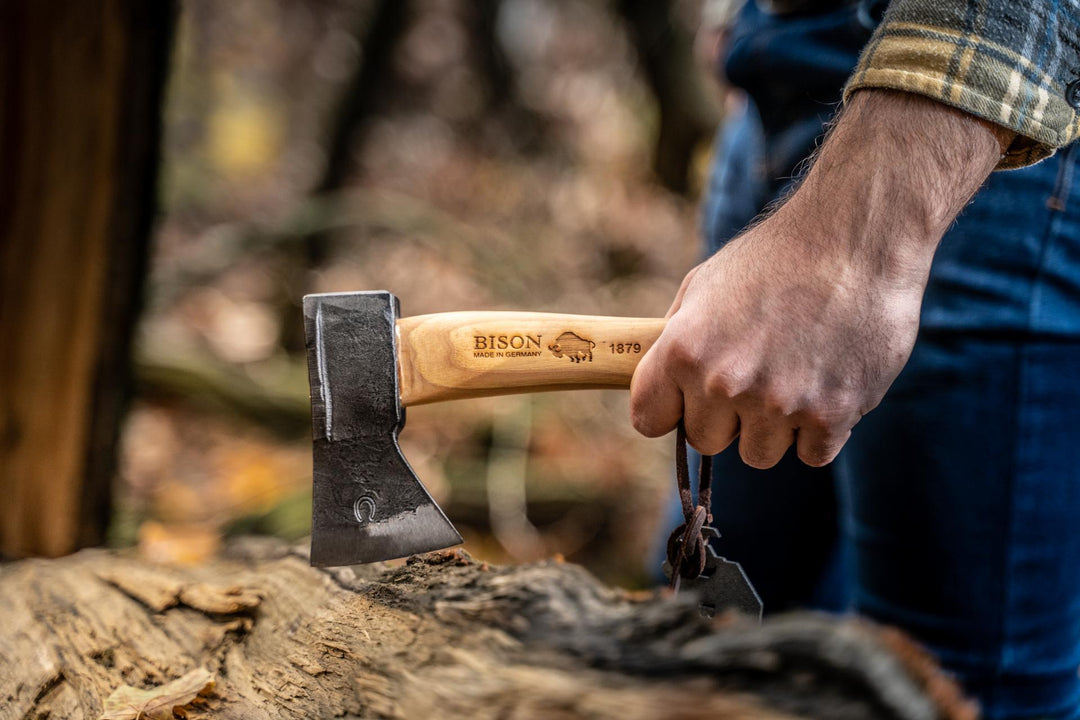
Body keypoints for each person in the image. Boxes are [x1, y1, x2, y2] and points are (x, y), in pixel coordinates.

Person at [633, 0, 1080, 717]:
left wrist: (860, 241)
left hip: (972, 123)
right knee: (705, 640)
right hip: (782, 70)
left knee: (957, 687)